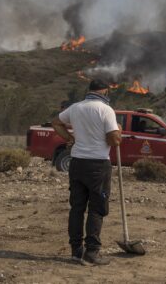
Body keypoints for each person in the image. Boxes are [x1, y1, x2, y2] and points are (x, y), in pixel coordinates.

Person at [52, 79, 121, 265]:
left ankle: (76, 251)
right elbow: (114, 140)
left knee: (77, 208)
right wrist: (118, 131)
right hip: (98, 165)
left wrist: (71, 138)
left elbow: (56, 122)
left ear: (90, 90)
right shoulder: (106, 110)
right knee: (97, 209)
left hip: (77, 163)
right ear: (105, 91)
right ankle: (92, 254)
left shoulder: (75, 108)